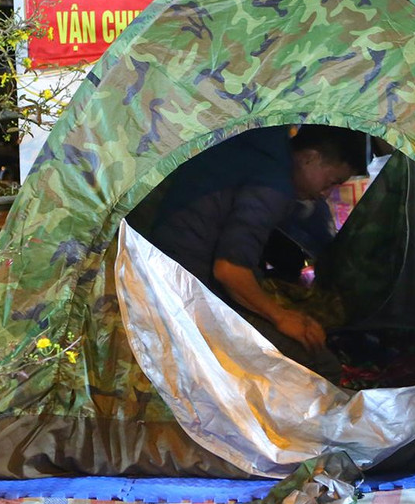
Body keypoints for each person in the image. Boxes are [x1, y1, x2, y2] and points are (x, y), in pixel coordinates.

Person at [145, 125, 366, 378]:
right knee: (321, 365)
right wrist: (281, 317)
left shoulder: (256, 144)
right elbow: (229, 270)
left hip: (161, 262)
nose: (324, 194)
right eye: (330, 183)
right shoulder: (274, 184)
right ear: (310, 157)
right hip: (184, 291)